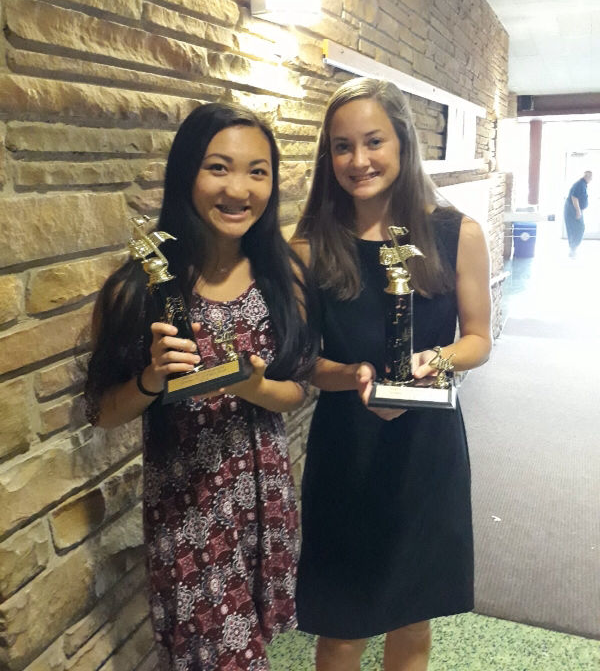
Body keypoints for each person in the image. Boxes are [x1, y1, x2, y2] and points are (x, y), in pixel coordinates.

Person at [85, 103, 316, 671]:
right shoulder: (137, 287)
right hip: (187, 511)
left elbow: (298, 389)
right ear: (186, 172)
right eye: (218, 167)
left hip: (264, 498)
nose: (239, 189)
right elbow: (103, 413)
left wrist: (255, 387)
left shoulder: (282, 274)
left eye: (257, 172)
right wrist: (151, 380)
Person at [292, 78, 492, 671]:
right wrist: (354, 374)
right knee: (341, 627)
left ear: (403, 142)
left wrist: (437, 361)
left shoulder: (457, 233)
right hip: (347, 447)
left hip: (426, 446)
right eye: (342, 146)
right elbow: (303, 362)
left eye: (373, 141)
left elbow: (478, 339)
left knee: (413, 615)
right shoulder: (308, 247)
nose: (358, 160)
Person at [564, 170, 593, 257]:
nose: (591, 179)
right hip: (572, 209)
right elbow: (574, 197)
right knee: (578, 228)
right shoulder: (580, 184)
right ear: (587, 177)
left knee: (577, 228)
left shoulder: (582, 184)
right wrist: (578, 210)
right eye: (591, 177)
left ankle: (573, 249)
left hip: (574, 208)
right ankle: (573, 250)